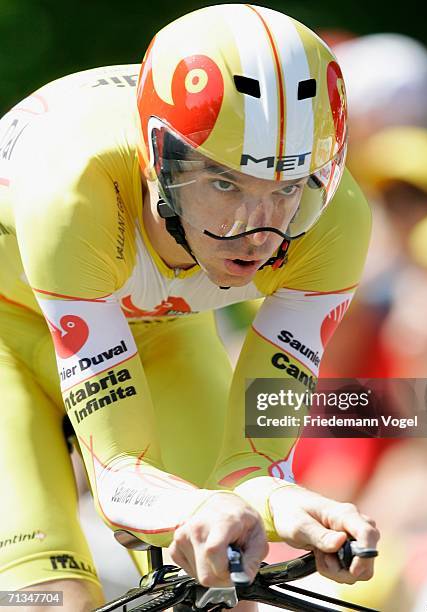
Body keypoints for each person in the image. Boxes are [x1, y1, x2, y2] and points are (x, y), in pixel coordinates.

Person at [0, 4, 378, 610]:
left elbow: (253, 465)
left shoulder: (337, 222)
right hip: (5, 334)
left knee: (228, 585)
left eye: (286, 190)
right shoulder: (76, 192)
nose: (258, 231)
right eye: (226, 184)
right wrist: (200, 505)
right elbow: (118, 468)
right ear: (159, 162)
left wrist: (287, 507)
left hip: (162, 329)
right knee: (50, 600)